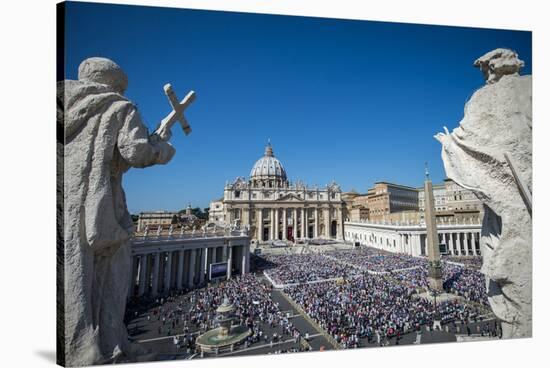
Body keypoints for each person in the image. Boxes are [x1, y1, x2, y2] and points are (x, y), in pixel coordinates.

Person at [59, 57, 176, 366]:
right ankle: (106, 341)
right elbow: (136, 153)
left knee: (74, 271)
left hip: (65, 200)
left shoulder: (60, 101)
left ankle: (81, 344)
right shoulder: (118, 107)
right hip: (101, 200)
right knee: (110, 272)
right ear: (117, 84)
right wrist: (161, 145)